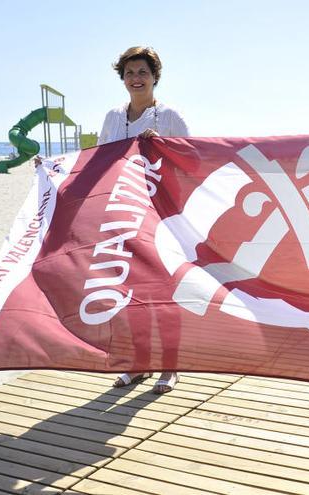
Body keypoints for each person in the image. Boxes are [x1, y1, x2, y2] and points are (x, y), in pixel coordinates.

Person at [99, 46, 188, 394]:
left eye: (143, 73)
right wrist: (54, 168)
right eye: (130, 73)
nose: (136, 79)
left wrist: (163, 146)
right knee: (129, 292)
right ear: (123, 78)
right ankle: (138, 363)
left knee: (163, 294)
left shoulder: (169, 117)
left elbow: (193, 163)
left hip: (163, 217)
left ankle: (170, 365)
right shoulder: (112, 117)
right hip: (123, 214)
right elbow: (98, 162)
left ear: (155, 77)